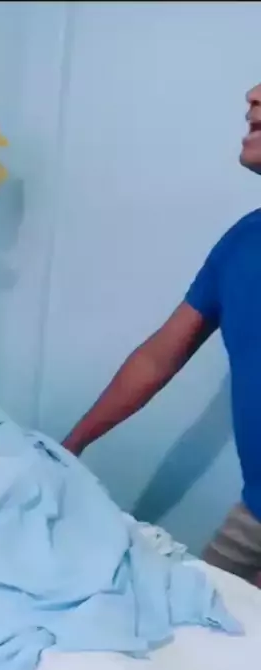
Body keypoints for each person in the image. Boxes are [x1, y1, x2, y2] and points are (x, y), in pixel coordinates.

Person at [63, 82, 261, 585]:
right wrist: (73, 444)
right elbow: (157, 359)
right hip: (255, 515)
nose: (252, 94)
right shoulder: (243, 240)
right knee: (204, 615)